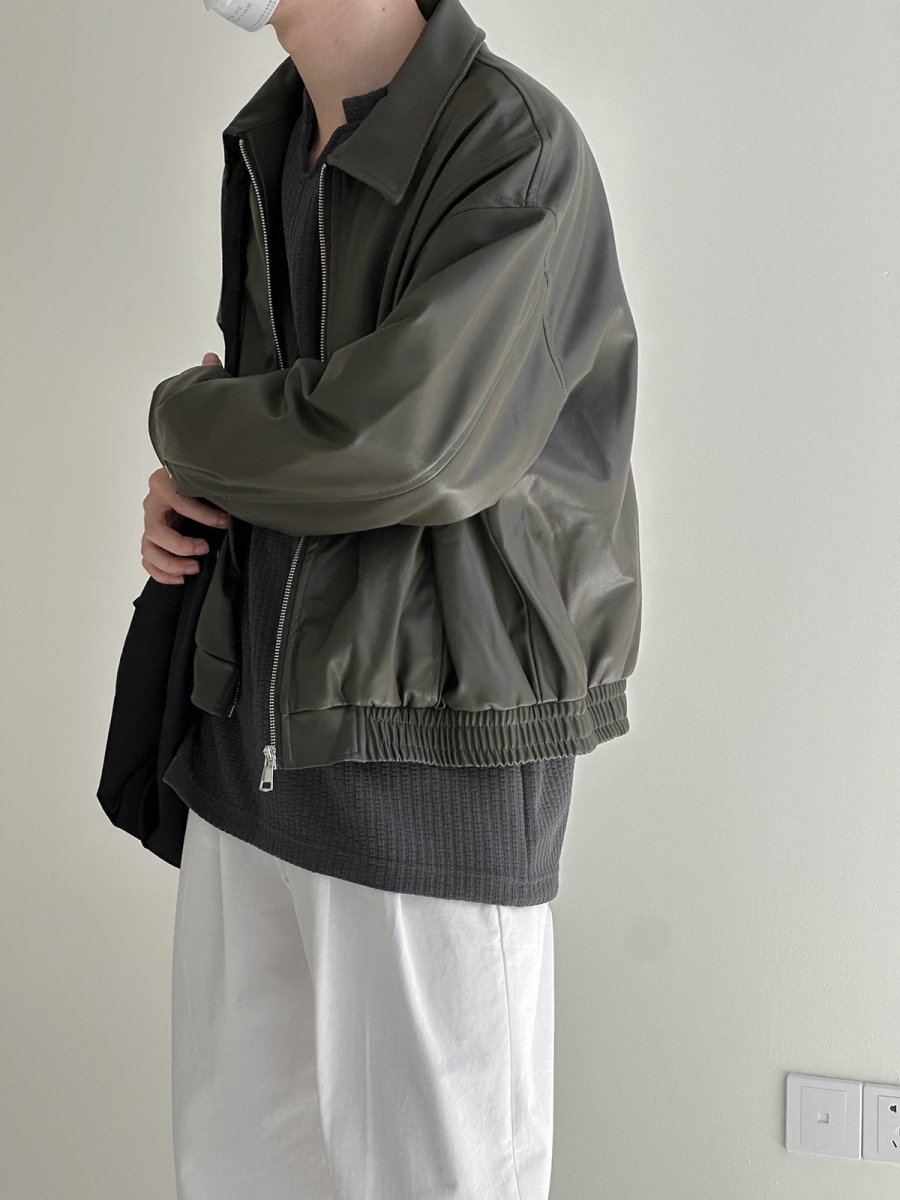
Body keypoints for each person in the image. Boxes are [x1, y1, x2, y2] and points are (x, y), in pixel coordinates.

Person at [141, 0, 641, 1195]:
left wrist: (182, 422)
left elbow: (402, 446)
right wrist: (193, 489)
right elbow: (297, 437)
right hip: (251, 762)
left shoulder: (512, 147)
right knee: (235, 1176)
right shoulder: (273, 140)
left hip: (431, 767)